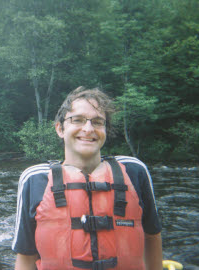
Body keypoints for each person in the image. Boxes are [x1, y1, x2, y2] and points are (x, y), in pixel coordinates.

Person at [12, 87, 163, 270]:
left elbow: (152, 237)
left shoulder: (135, 171)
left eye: (98, 122)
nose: (88, 129)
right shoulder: (34, 179)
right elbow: (26, 257)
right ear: (60, 128)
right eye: (78, 120)